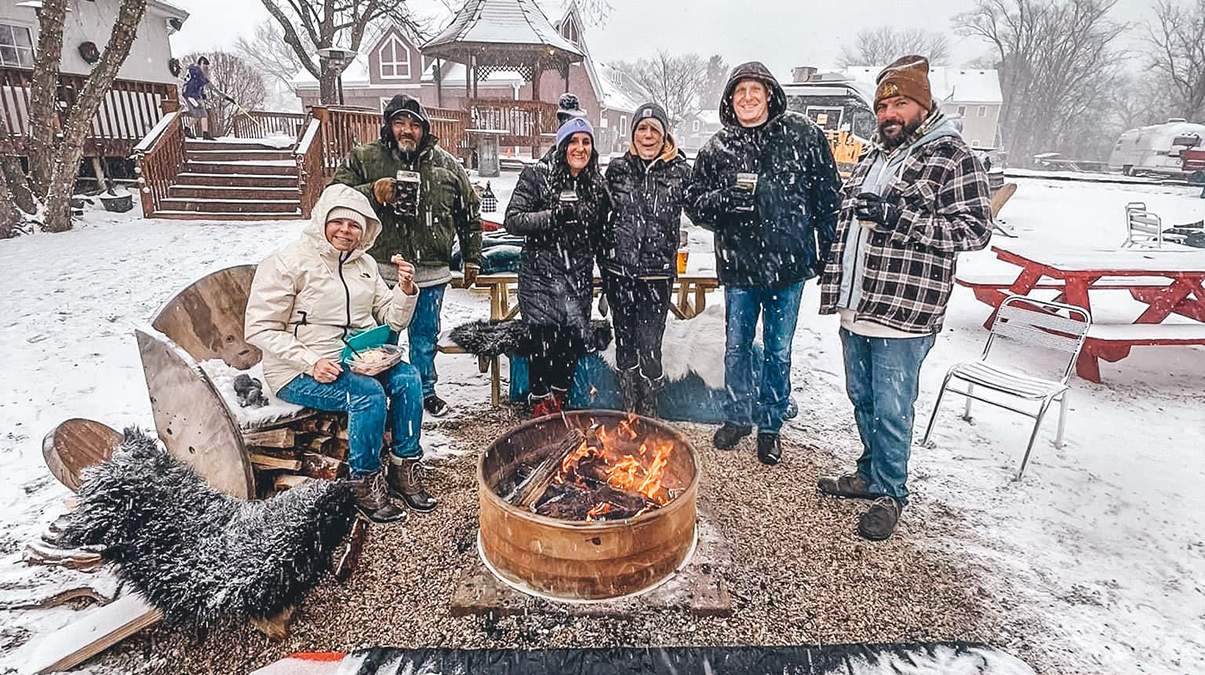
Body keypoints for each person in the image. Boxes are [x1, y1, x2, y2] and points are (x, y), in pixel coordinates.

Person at [816, 55, 993, 541]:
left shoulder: (951, 156)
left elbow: (975, 231)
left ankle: (891, 493)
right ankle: (870, 473)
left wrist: (898, 218)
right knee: (863, 399)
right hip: (858, 305)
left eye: (901, 103)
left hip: (904, 313)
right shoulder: (875, 156)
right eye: (883, 105)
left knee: (894, 409)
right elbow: (852, 220)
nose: (890, 113)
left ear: (923, 104)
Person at [245, 184, 436, 523]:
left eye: (355, 226)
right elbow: (259, 328)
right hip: (297, 369)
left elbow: (392, 317)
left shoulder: (364, 265)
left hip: (357, 359)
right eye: (339, 223)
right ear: (322, 221)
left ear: (365, 231)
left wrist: (405, 290)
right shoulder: (287, 263)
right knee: (367, 395)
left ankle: (403, 467)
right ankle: (363, 482)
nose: (346, 232)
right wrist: (311, 362)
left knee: (409, 378)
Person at [687, 61, 842, 465]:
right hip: (739, 269)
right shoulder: (718, 147)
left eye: (755, 90)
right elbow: (695, 203)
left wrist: (827, 254)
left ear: (769, 95)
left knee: (778, 351)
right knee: (736, 349)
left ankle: (770, 425)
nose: (748, 98)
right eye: (740, 92)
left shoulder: (802, 135)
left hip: (788, 268)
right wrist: (723, 201)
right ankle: (737, 416)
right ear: (730, 100)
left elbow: (828, 198)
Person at [331, 94, 482, 419]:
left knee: (425, 338)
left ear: (425, 129)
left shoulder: (446, 164)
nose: (407, 130)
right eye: (400, 122)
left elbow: (469, 213)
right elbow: (334, 196)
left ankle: (425, 390)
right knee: (381, 338)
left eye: (414, 124)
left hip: (431, 270)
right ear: (388, 125)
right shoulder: (365, 158)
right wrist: (374, 191)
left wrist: (472, 257)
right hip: (381, 269)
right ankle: (381, 390)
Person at [505, 117, 610, 417]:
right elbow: (513, 220)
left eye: (586, 142)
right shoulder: (538, 176)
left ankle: (558, 404)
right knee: (542, 344)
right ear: (562, 146)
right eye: (573, 141)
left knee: (571, 343)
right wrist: (552, 217)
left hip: (577, 278)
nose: (580, 148)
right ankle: (540, 406)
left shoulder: (596, 184)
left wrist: (607, 273)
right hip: (540, 277)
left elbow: (602, 235)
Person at [601, 102, 692, 417]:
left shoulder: (681, 171)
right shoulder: (617, 169)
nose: (648, 135)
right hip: (619, 273)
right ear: (633, 133)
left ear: (665, 134)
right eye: (642, 128)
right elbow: (601, 216)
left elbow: (701, 209)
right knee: (625, 343)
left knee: (650, 344)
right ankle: (629, 410)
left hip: (656, 274)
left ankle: (649, 412)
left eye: (655, 129)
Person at [181, 56, 212, 140]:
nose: (205, 69)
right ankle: (188, 130)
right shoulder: (194, 69)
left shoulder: (197, 72)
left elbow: (199, 84)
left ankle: (203, 133)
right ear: (201, 63)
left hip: (195, 94)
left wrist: (202, 93)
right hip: (190, 94)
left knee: (201, 114)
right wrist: (206, 80)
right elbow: (199, 81)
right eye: (204, 66)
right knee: (199, 113)